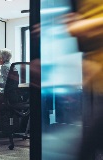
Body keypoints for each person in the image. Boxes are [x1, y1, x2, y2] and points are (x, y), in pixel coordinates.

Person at [64, 0, 103, 159]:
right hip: (95, 79)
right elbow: (74, 28)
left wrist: (82, 26)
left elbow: (76, 27)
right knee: (88, 145)